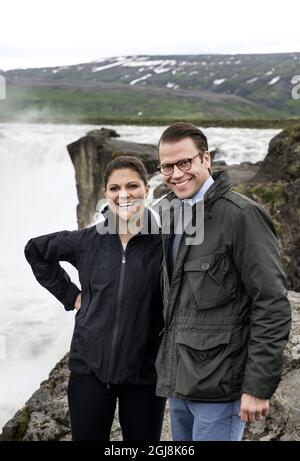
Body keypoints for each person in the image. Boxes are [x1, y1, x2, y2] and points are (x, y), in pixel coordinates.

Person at [154, 122, 291, 441]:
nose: (176, 174)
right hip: (180, 386)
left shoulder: (242, 216)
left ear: (206, 159)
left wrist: (257, 387)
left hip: (220, 389)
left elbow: (271, 305)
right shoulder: (173, 214)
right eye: (167, 166)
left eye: (184, 162)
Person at [24, 156, 166, 441]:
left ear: (147, 189)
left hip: (145, 375)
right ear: (105, 193)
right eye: (114, 188)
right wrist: (71, 296)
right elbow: (36, 250)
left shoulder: (165, 243)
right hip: (89, 372)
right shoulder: (87, 241)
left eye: (132, 186)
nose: (123, 195)